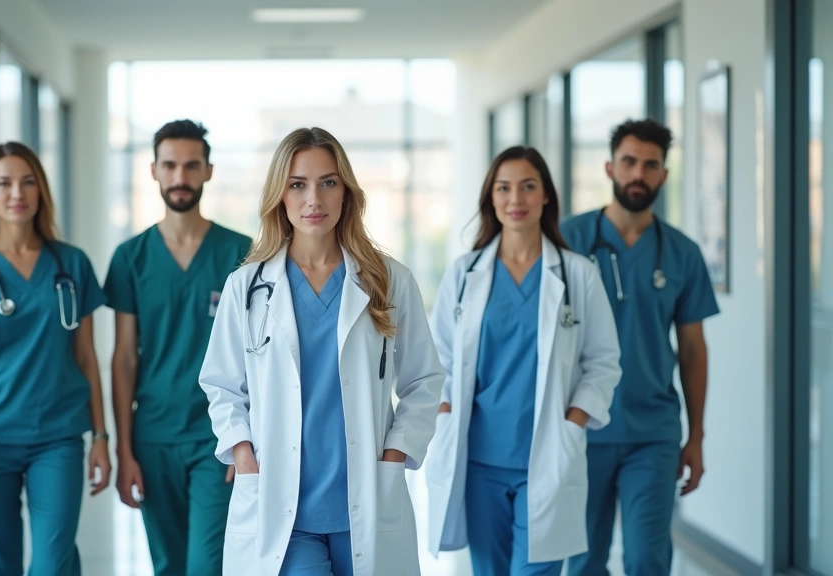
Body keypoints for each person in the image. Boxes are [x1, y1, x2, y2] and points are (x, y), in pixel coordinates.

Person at [198, 127, 443, 576]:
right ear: (280, 195)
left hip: (366, 498)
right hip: (283, 507)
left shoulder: (389, 281)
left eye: (328, 182)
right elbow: (221, 385)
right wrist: (244, 454)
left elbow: (424, 381)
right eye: (298, 184)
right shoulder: (246, 287)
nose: (314, 199)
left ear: (346, 193)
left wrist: (394, 454)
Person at [424, 146, 622, 575]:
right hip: (477, 460)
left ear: (546, 196)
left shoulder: (577, 274)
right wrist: (443, 408)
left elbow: (604, 361)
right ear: (491, 199)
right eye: (504, 188)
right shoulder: (465, 273)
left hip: (548, 456)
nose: (516, 199)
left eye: (528, 186)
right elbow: (435, 357)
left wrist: (574, 420)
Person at [0, 141, 111, 576]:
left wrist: (102, 437)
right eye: (5, 182)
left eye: (28, 181)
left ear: (41, 191)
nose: (18, 192)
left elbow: (87, 357)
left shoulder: (71, 264)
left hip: (58, 436)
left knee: (52, 562)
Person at [561, 119, 720, 576]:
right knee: (583, 561)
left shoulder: (682, 253)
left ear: (664, 175)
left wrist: (697, 436)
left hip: (653, 433)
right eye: (629, 162)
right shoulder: (567, 241)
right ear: (610, 167)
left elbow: (692, 350)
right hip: (581, 427)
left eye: (651, 165)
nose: (639, 174)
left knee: (647, 559)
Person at [104, 119, 251, 576]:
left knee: (207, 565)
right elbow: (124, 358)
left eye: (191, 166)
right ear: (153, 171)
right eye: (170, 165)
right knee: (168, 564)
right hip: (153, 436)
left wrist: (249, 437)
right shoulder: (131, 258)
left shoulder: (240, 253)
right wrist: (124, 451)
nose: (180, 177)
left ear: (208, 171)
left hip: (218, 436)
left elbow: (258, 355)